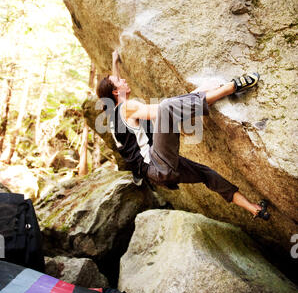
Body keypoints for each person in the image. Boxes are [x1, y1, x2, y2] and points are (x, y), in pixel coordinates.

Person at [96, 50, 270, 221]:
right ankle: (230, 87)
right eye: (119, 80)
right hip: (157, 163)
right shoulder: (127, 107)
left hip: (158, 173)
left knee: (207, 174)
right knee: (165, 107)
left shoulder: (112, 115)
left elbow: (112, 87)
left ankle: (254, 209)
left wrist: (115, 61)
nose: (123, 79)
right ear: (115, 92)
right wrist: (200, 92)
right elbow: (163, 111)